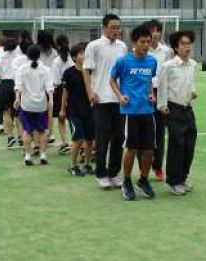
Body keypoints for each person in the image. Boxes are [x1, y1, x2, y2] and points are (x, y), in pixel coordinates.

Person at [110, 25, 158, 201]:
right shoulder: (123, 61)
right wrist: (120, 95)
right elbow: (112, 80)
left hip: (148, 111)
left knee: (148, 150)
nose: (146, 45)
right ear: (134, 42)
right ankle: (127, 181)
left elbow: (148, 81)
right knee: (131, 149)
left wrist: (151, 94)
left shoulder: (152, 61)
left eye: (148, 41)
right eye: (142, 42)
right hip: (130, 112)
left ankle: (143, 180)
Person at [83, 14, 128, 190]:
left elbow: (123, 72)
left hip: (119, 99)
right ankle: (101, 174)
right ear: (104, 27)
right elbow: (86, 70)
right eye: (113, 27)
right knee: (102, 138)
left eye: (118, 27)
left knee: (119, 137)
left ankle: (114, 173)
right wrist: (90, 92)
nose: (116, 30)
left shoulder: (123, 47)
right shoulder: (93, 46)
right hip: (100, 99)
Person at [157, 30, 198, 196]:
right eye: (183, 44)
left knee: (190, 144)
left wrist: (193, 91)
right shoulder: (168, 66)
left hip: (188, 108)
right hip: (173, 109)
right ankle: (174, 181)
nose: (186, 47)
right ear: (175, 47)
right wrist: (162, 105)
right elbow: (162, 86)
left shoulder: (193, 64)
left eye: (188, 43)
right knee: (177, 145)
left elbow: (191, 82)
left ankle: (183, 177)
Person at [143, 19, 173, 182]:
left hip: (161, 93)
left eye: (157, 30)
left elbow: (169, 73)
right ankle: (144, 166)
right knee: (145, 131)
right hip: (145, 94)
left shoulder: (167, 51)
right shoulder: (141, 50)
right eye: (152, 30)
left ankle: (158, 167)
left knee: (160, 132)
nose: (155, 33)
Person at [14, 45, 53, 166]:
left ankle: (27, 155)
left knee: (27, 131)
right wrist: (51, 99)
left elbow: (18, 86)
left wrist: (17, 99)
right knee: (42, 131)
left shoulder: (22, 69)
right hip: (41, 104)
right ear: (39, 55)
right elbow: (49, 87)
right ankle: (42, 154)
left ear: (27, 55)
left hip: (27, 105)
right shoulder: (45, 69)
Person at [60, 43, 95, 177]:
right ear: (74, 57)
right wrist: (63, 109)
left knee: (90, 139)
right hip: (74, 112)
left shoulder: (92, 71)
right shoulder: (68, 73)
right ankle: (73, 165)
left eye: (85, 52)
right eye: (81, 53)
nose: (84, 55)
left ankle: (87, 164)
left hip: (90, 110)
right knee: (78, 138)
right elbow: (65, 93)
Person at [0, 37, 20, 148]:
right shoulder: (19, 56)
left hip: (5, 84)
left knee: (6, 112)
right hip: (17, 84)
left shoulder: (1, 56)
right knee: (19, 113)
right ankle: (20, 136)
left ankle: (10, 137)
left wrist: (2, 80)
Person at [51, 34, 74, 155]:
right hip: (75, 89)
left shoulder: (56, 61)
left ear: (57, 45)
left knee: (61, 118)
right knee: (73, 117)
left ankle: (65, 142)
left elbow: (55, 82)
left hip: (60, 90)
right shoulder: (73, 58)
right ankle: (76, 141)